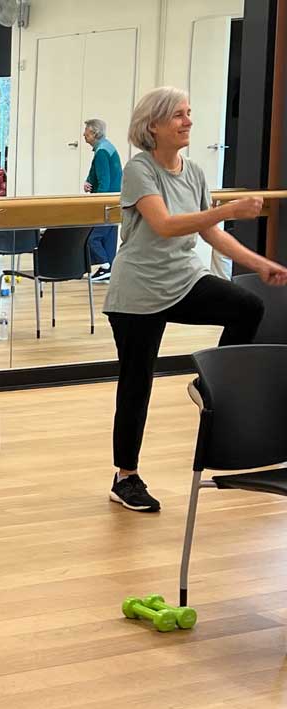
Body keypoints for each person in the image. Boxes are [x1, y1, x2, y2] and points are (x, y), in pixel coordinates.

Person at [103, 86, 287, 513]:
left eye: (189, 113)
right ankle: (125, 478)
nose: (187, 121)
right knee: (136, 384)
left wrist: (257, 263)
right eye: (177, 116)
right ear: (153, 126)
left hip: (184, 279)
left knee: (247, 305)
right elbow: (166, 225)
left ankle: (212, 385)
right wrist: (227, 210)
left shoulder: (195, 171)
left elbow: (209, 233)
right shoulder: (139, 170)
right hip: (137, 291)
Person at [83, 118, 124, 282]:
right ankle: (109, 269)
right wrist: (88, 181)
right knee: (109, 236)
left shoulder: (101, 152)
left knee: (92, 238)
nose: (84, 134)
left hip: (107, 202)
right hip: (115, 200)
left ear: (93, 133)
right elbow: (97, 174)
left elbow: (104, 181)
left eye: (86, 131)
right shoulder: (106, 147)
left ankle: (105, 266)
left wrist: (97, 203)